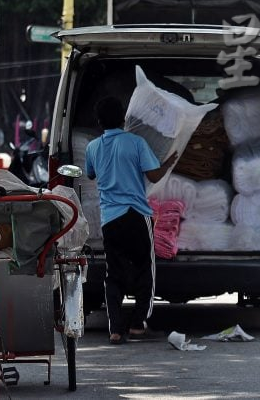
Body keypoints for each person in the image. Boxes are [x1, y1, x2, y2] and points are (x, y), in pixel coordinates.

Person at [85, 96, 174, 345]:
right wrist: (169, 161)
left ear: (99, 121)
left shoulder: (92, 147)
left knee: (114, 273)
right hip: (136, 214)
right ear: (123, 118)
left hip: (110, 219)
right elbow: (154, 176)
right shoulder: (136, 142)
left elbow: (91, 173)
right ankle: (137, 324)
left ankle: (115, 329)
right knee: (145, 268)